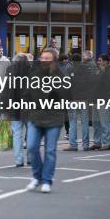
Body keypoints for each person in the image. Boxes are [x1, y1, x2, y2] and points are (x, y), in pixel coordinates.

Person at [26, 48, 65, 194]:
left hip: (54, 118)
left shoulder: (61, 76)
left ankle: (47, 180)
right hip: (36, 116)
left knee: (50, 150)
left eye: (47, 58)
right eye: (42, 58)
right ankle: (37, 177)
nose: (43, 60)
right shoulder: (35, 74)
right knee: (31, 147)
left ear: (54, 60)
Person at [1, 53, 31, 166]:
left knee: (17, 134)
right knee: (31, 133)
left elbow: (6, 92)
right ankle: (31, 157)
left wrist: (4, 108)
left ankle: (19, 160)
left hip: (15, 108)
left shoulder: (10, 72)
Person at [64, 52, 94, 152]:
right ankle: (85, 145)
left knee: (72, 122)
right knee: (85, 122)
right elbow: (90, 84)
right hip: (84, 99)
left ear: (72, 61)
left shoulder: (69, 69)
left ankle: (73, 144)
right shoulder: (86, 69)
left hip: (72, 99)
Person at [89, 54, 110, 151]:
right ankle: (97, 142)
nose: (98, 62)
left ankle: (107, 143)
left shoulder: (109, 72)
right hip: (95, 99)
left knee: (104, 122)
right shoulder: (99, 71)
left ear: (106, 61)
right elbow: (93, 82)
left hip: (104, 100)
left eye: (100, 60)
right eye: (98, 60)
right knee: (95, 122)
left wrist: (109, 97)